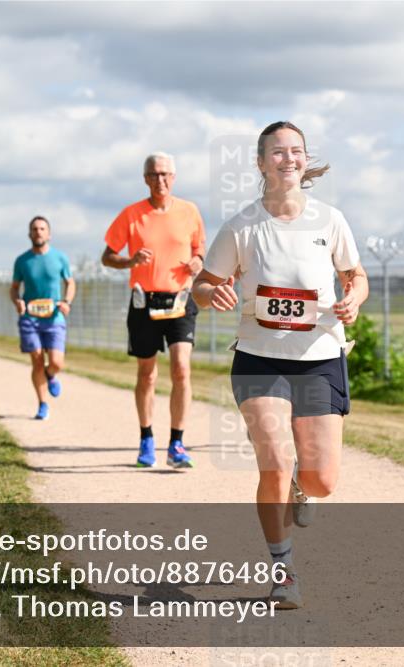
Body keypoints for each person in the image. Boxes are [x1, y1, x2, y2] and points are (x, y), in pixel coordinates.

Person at [193, 121, 369, 609]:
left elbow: (355, 275)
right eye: (277, 152)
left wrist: (353, 297)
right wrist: (216, 292)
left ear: (305, 159)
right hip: (258, 360)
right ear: (260, 162)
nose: (288, 159)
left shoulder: (330, 220)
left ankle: (300, 488)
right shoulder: (242, 226)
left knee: (321, 480)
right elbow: (202, 287)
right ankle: (283, 569)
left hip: (318, 359)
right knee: (274, 459)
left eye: (296, 151)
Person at [101, 152, 206, 468]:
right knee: (147, 374)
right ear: (145, 179)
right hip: (143, 301)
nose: (160, 180)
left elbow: (200, 251)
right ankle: (146, 437)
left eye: (165, 174)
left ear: (173, 178)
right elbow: (107, 256)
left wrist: (198, 262)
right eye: (154, 174)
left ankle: (177, 443)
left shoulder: (190, 211)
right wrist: (129, 261)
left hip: (179, 300)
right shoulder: (132, 215)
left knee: (181, 369)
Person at [10, 216, 76, 420]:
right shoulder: (22, 261)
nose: (38, 232)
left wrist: (66, 301)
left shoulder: (60, 258)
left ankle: (51, 374)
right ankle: (43, 404)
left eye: (42, 228)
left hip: (54, 316)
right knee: (37, 360)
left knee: (56, 362)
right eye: (35, 229)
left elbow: (70, 283)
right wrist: (17, 301)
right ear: (30, 234)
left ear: (49, 233)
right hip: (30, 317)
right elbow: (14, 289)